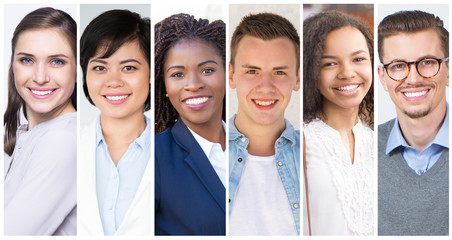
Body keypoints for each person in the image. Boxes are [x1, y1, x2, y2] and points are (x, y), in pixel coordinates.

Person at [3, 7, 77, 235]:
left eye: (57, 62)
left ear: (77, 69)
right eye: (27, 60)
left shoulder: (63, 140)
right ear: (13, 66)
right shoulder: (26, 134)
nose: (40, 77)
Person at [79, 9, 151, 235]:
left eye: (128, 67)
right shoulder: (65, 147)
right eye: (100, 68)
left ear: (150, 75)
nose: (113, 81)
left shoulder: (176, 151)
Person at [303, 10, 374, 236]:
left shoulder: (378, 141)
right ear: (311, 70)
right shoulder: (301, 141)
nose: (347, 73)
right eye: (330, 64)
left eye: (358, 59)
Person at [378, 10, 449, 235]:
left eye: (427, 62)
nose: (414, 79)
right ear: (383, 77)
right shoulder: (361, 150)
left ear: (448, 70)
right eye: (398, 66)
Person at [228, 12, 300, 235]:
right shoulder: (207, 152)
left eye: (279, 72)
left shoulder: (316, 153)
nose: (266, 87)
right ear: (231, 75)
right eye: (252, 71)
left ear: (297, 78)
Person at [154, 13, 226, 235]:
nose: (193, 85)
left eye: (207, 70)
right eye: (177, 74)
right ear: (164, 86)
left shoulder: (255, 142)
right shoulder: (154, 158)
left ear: (227, 74)